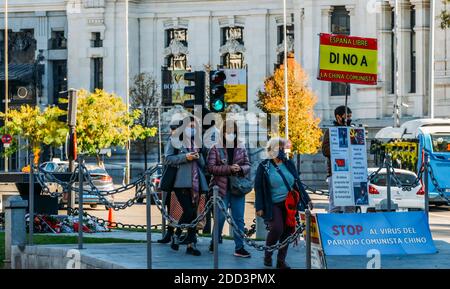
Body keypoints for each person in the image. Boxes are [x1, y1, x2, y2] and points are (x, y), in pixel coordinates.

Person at [254, 137, 313, 269]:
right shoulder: (264, 166)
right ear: (270, 151)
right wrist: (259, 207)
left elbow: (297, 183)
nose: (280, 150)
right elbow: (258, 187)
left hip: (289, 204)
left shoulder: (289, 163)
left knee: (287, 231)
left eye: (281, 148)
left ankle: (281, 261)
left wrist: (307, 199)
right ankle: (267, 255)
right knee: (277, 228)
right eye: (277, 148)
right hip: (273, 204)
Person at [164, 116, 209, 256]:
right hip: (180, 182)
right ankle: (177, 236)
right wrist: (185, 157)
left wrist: (198, 156)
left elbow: (204, 164)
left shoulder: (199, 142)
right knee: (189, 211)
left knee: (193, 213)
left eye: (195, 127)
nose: (192, 129)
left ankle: (190, 244)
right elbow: (167, 158)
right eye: (190, 126)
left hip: (197, 183)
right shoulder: (175, 140)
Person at [207, 122, 251, 258]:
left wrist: (241, 169)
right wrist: (228, 168)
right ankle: (214, 242)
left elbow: (248, 165)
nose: (231, 134)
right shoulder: (216, 148)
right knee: (220, 218)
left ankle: (239, 247)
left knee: (239, 219)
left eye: (233, 131)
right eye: (228, 131)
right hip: (221, 189)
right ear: (223, 133)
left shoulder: (241, 147)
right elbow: (210, 168)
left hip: (237, 189)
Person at [322, 105, 356, 213]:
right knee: (335, 204)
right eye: (347, 116)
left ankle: (351, 225)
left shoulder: (352, 130)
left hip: (351, 173)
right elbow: (325, 150)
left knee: (350, 205)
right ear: (338, 117)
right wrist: (340, 149)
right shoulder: (330, 131)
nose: (349, 119)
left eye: (350, 116)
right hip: (335, 172)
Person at [157, 123, 182, 244]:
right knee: (170, 208)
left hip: (180, 179)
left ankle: (177, 233)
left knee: (182, 208)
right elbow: (168, 158)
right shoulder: (172, 141)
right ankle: (170, 233)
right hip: (172, 179)